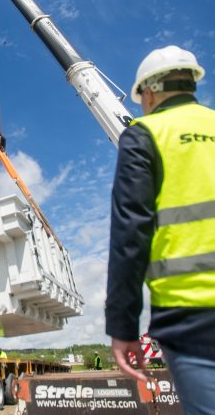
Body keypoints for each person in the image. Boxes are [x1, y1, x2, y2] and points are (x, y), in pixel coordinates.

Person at [105, 45, 215, 414]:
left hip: (191, 316)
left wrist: (123, 327)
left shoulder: (144, 135)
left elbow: (130, 236)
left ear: (149, 92)